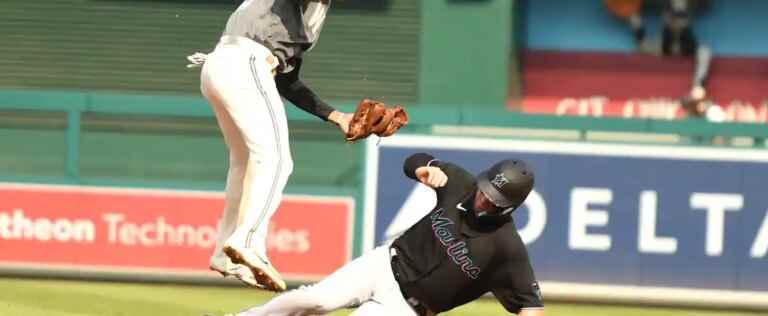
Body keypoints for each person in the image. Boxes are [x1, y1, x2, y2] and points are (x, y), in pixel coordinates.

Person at [221, 153, 544, 316]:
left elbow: (530, 304)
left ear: (510, 208)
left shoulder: (507, 248)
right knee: (312, 298)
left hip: (406, 309)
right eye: (485, 190)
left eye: (493, 200)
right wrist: (422, 168)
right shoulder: (462, 183)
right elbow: (415, 160)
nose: (483, 199)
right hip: (382, 264)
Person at [187, 0, 353, 292]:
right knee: (276, 160)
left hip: (223, 65)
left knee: (244, 161)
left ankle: (225, 256)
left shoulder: (310, 13)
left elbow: (288, 82)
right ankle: (248, 241)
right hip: (245, 63)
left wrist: (337, 116)